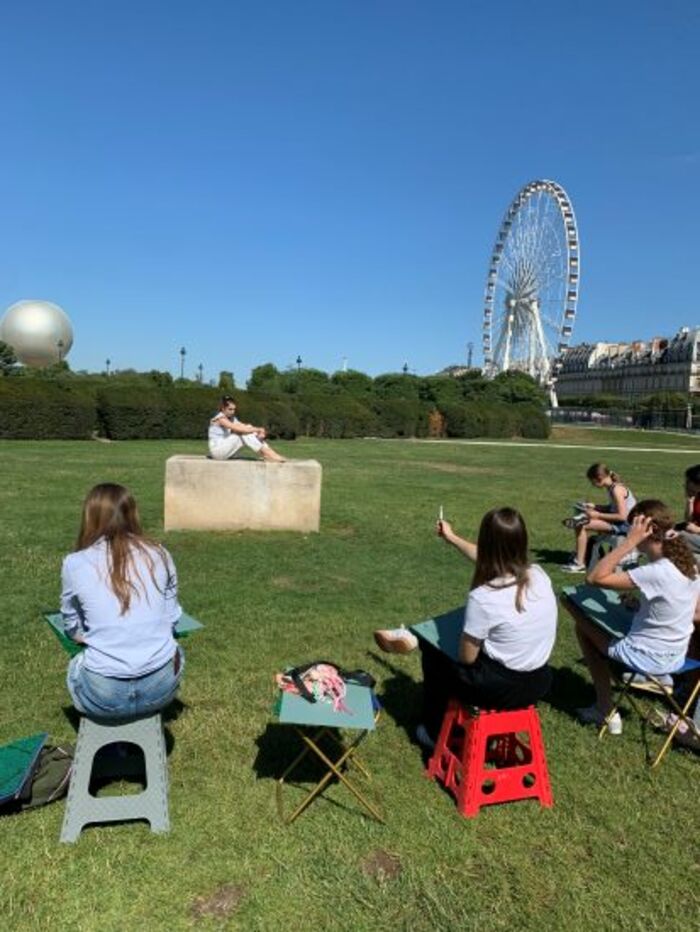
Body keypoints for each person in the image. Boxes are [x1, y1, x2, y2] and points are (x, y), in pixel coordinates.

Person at [374, 508, 557, 749]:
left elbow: (466, 658)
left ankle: (432, 731)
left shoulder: (485, 597)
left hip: (500, 688)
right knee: (473, 626)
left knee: (435, 653)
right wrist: (451, 537)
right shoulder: (539, 575)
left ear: (487, 543)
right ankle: (413, 634)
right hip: (540, 681)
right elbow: (490, 559)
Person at [562, 499, 700, 734]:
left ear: (646, 531)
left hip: (647, 657)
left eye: (633, 529)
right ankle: (613, 700)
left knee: (571, 606)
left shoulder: (655, 572)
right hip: (677, 657)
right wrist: (642, 607)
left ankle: (604, 710)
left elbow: (594, 578)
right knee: (615, 611)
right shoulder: (690, 566)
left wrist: (628, 543)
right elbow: (687, 610)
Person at [62, 483, 185, 720]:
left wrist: (88, 636)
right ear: (132, 513)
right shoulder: (160, 553)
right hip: (161, 689)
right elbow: (172, 616)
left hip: (103, 696)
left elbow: (71, 627)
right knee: (175, 648)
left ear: (90, 517)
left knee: (76, 664)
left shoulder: (74, 563)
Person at [561, 463, 637, 574]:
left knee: (581, 524)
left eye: (592, 482)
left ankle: (579, 563)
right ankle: (584, 554)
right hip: (620, 522)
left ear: (599, 478)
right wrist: (595, 507)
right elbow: (612, 508)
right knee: (581, 519)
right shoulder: (613, 487)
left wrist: (597, 515)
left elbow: (622, 516)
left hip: (625, 526)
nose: (592, 485)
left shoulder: (617, 490)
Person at [208, 395, 285, 463]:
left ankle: (269, 452)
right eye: (230, 409)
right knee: (243, 432)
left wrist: (258, 433)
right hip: (217, 451)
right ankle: (267, 453)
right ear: (223, 408)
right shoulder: (220, 418)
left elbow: (245, 426)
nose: (233, 412)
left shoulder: (231, 419)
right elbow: (239, 429)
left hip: (225, 450)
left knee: (248, 428)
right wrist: (258, 429)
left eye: (234, 409)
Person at [676, 464, 700, 559]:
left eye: (689, 481)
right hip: (695, 535)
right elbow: (689, 520)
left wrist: (697, 530)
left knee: (675, 537)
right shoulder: (697, 496)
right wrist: (690, 501)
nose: (686, 483)